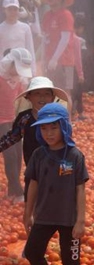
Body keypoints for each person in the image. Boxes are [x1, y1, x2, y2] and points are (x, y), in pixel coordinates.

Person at [22, 102, 88, 265]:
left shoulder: (75, 156)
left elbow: (80, 189)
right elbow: (33, 184)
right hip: (43, 214)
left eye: (54, 127)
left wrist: (80, 220)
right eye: (44, 128)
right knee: (32, 251)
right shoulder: (38, 155)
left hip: (69, 218)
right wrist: (28, 213)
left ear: (64, 127)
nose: (49, 133)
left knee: (71, 258)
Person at [0, 77, 71, 204]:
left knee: (54, 204)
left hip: (55, 171)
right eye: (37, 94)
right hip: (33, 170)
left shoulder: (59, 119)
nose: (42, 98)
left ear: (53, 98)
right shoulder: (24, 118)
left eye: (46, 94)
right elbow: (12, 137)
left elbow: (67, 146)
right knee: (34, 203)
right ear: (29, 97)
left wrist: (67, 174)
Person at [0, 48, 33, 204]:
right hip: (0, 121)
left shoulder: (18, 79)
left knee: (19, 154)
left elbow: (21, 99)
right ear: (10, 62)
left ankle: (12, 189)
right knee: (10, 155)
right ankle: (19, 191)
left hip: (14, 120)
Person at [42, 0, 78, 99]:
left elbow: (65, 39)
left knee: (65, 92)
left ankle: (66, 115)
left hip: (65, 61)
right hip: (50, 60)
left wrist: (54, 59)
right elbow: (45, 38)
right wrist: (44, 59)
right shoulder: (47, 15)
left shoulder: (66, 14)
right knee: (51, 91)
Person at [0, 0, 36, 77]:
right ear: (4, 10)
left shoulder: (25, 28)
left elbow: (30, 49)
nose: (12, 12)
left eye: (15, 9)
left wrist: (33, 71)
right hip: (4, 70)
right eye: (9, 9)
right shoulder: (1, 29)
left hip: (22, 69)